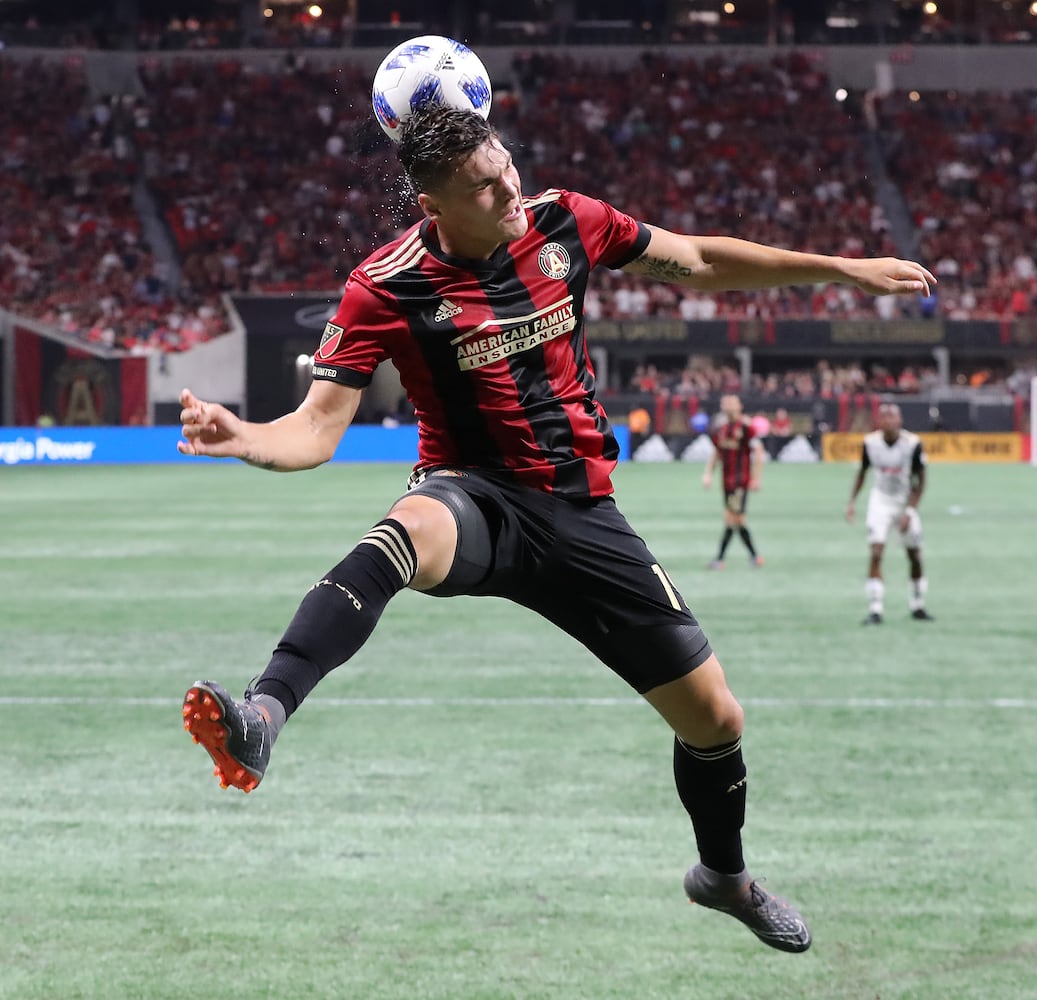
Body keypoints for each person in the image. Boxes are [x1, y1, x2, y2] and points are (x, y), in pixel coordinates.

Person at [177, 103, 936, 954]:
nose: (508, 187)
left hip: (583, 513)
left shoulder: (565, 221)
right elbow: (316, 429)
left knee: (717, 721)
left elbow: (694, 259)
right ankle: (263, 717)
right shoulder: (384, 286)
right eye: (483, 185)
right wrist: (243, 436)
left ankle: (724, 878)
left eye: (505, 165)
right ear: (434, 209)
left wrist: (837, 269)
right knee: (401, 534)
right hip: (477, 498)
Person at [844, 402, 934, 624]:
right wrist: (852, 502)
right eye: (884, 417)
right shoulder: (870, 443)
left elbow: (921, 481)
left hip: (904, 502)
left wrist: (910, 510)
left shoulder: (912, 444)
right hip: (880, 501)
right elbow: (862, 472)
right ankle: (875, 609)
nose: (888, 421)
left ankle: (917, 605)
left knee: (914, 555)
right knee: (875, 552)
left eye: (892, 417)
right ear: (879, 421)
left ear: (900, 420)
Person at [702, 394, 766, 569]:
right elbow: (716, 452)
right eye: (725, 402)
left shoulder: (746, 427)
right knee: (737, 520)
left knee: (732, 518)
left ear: (739, 406)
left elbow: (758, 450)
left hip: (740, 482)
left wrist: (755, 478)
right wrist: (708, 473)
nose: (727, 405)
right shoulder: (721, 429)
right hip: (727, 482)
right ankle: (754, 557)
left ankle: (720, 559)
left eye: (731, 403)